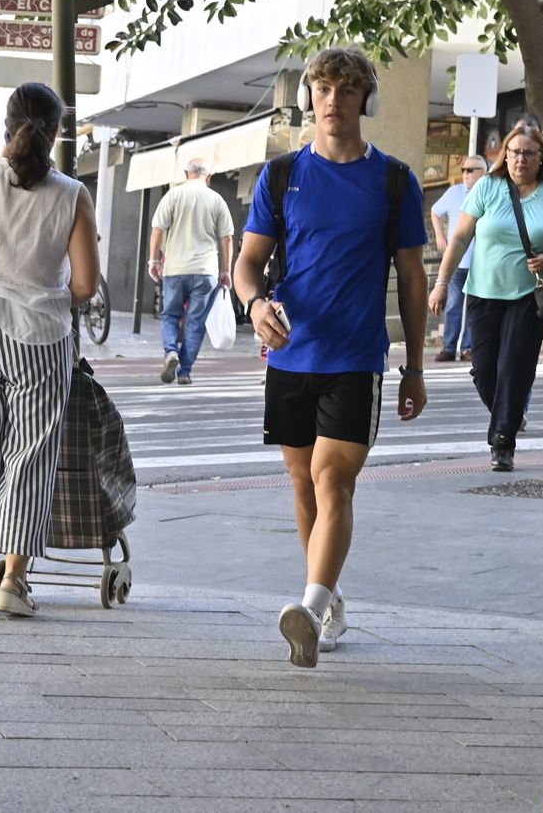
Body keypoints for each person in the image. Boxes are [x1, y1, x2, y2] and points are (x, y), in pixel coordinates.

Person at [233, 47, 429, 668]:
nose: (333, 101)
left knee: (332, 478)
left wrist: (416, 366)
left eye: (346, 90)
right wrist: (254, 304)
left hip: (356, 357)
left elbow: (413, 278)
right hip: (290, 355)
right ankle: (332, 597)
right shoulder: (283, 175)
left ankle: (311, 610)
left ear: (364, 99)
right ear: (309, 97)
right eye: (323, 88)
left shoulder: (394, 180)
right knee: (301, 483)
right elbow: (247, 264)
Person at [0, 83, 100, 619]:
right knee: (30, 458)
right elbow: (85, 286)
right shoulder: (73, 194)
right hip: (41, 338)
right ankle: (13, 579)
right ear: (56, 133)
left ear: (6, 126)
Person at [428, 123, 543, 470]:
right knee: (483, 368)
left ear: (540, 157)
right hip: (483, 292)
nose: (520, 159)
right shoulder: (487, 187)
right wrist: (442, 282)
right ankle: (511, 410)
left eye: (528, 153)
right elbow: (459, 238)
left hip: (529, 295)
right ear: (504, 155)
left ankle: (502, 440)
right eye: (514, 152)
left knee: (513, 367)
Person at [148, 158, 234, 385]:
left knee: (170, 315)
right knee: (196, 322)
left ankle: (170, 353)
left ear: (187, 173)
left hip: (175, 268)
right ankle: (184, 372)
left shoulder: (173, 195)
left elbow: (157, 229)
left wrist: (153, 260)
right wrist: (226, 270)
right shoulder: (217, 200)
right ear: (209, 176)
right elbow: (227, 238)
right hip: (206, 271)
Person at [429, 155, 486, 361]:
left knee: (474, 308)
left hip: (480, 263)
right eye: (463, 170)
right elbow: (435, 212)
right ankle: (449, 347)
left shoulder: (489, 191)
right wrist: (440, 235)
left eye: (471, 170)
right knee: (453, 306)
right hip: (458, 263)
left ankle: (468, 348)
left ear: (483, 172)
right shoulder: (454, 192)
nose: (465, 174)